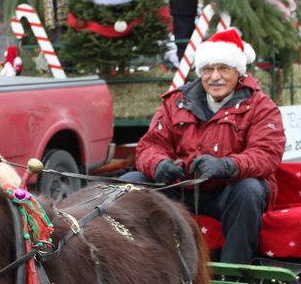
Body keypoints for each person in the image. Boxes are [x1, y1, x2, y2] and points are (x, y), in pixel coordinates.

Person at [121, 29, 286, 264]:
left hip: (228, 191)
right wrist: (159, 165)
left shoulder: (261, 106)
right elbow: (150, 146)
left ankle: (234, 271)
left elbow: (266, 154)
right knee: (130, 182)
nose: (215, 77)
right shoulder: (175, 102)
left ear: (239, 71)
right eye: (208, 69)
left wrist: (228, 166)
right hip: (182, 188)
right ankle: (138, 264)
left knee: (249, 189)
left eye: (223, 68)